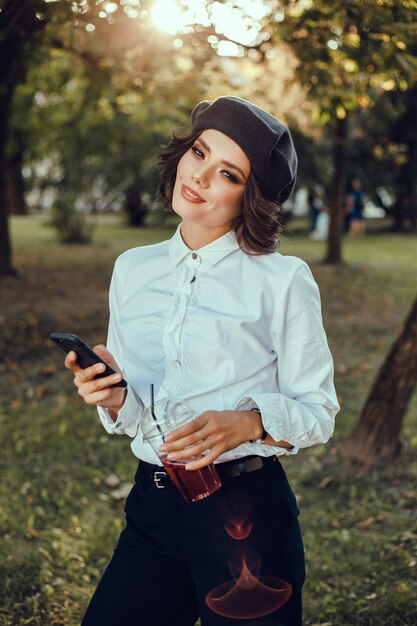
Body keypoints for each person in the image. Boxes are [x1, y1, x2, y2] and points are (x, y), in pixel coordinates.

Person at [65, 96, 339, 626]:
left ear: (249, 196)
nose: (200, 176)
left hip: (247, 520)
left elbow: (319, 412)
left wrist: (249, 422)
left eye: (228, 174)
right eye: (199, 153)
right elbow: (141, 416)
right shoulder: (132, 269)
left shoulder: (282, 281)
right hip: (152, 506)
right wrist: (115, 396)